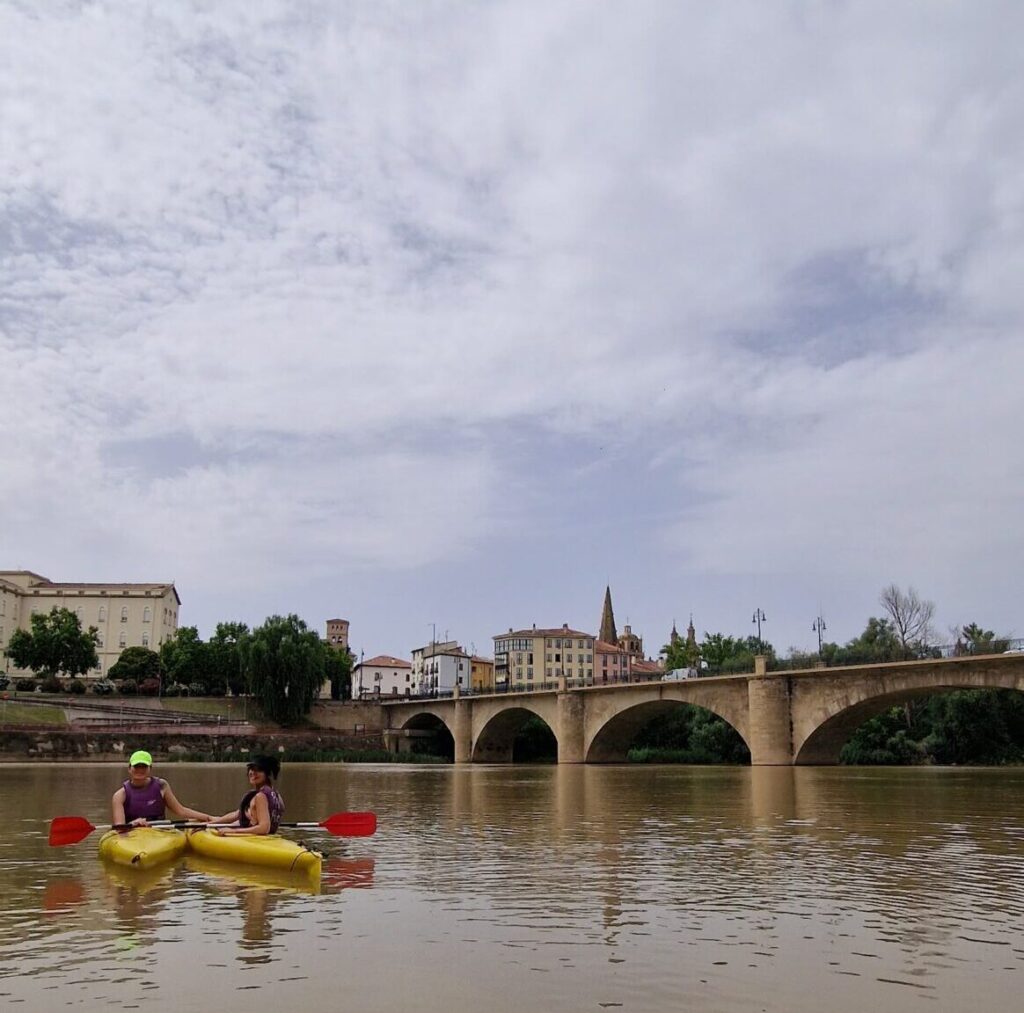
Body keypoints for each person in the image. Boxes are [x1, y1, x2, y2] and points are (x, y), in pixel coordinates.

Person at [112, 750, 213, 827]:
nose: (140, 770)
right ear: (129, 769)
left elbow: (180, 811)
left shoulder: (162, 785)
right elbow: (120, 827)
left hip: (159, 831)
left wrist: (208, 818)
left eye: (144, 766)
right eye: (136, 766)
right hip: (133, 832)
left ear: (150, 769)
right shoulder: (120, 795)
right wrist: (133, 823)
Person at [207, 756, 285, 836]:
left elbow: (264, 828)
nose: (253, 773)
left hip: (257, 838)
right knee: (216, 822)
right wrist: (211, 823)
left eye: (258, 770)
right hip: (267, 837)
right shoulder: (277, 795)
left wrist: (233, 831)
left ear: (267, 774)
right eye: (251, 769)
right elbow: (237, 814)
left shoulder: (260, 796)